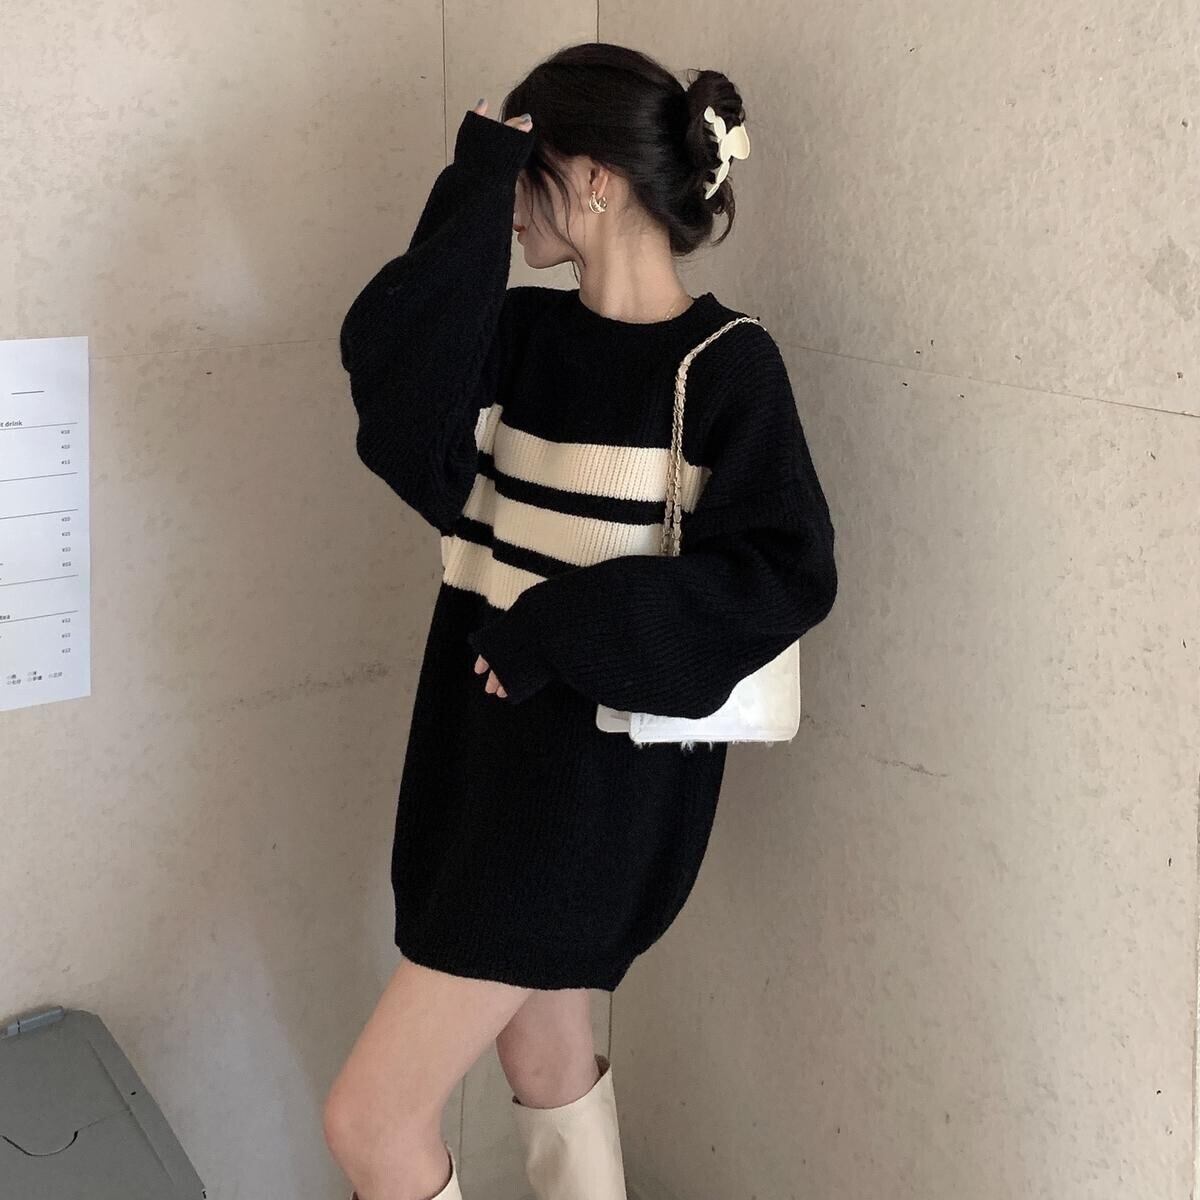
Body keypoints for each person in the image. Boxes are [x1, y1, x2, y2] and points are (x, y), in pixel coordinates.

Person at [323, 41, 838, 1200]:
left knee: (370, 1122)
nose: (511, 204)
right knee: (546, 1057)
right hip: (479, 765)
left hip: (587, 807)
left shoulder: (725, 368)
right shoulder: (519, 341)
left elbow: (784, 573)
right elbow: (394, 400)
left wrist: (559, 628)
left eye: (527, 171)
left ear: (595, 178)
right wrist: (476, 178)